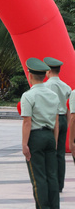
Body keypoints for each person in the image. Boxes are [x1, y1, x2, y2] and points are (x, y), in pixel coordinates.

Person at [21, 58, 60, 209]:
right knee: (52, 176)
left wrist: (24, 144)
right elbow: (56, 120)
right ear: (44, 76)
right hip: (50, 136)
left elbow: (27, 122)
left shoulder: (28, 96)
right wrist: (55, 140)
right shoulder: (53, 95)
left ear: (30, 76)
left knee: (38, 178)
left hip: (35, 137)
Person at [43, 56, 72, 192]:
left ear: (48, 71)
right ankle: (60, 184)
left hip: (51, 120)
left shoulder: (45, 86)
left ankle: (51, 183)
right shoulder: (66, 87)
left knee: (50, 153)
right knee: (60, 153)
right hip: (63, 119)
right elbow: (68, 108)